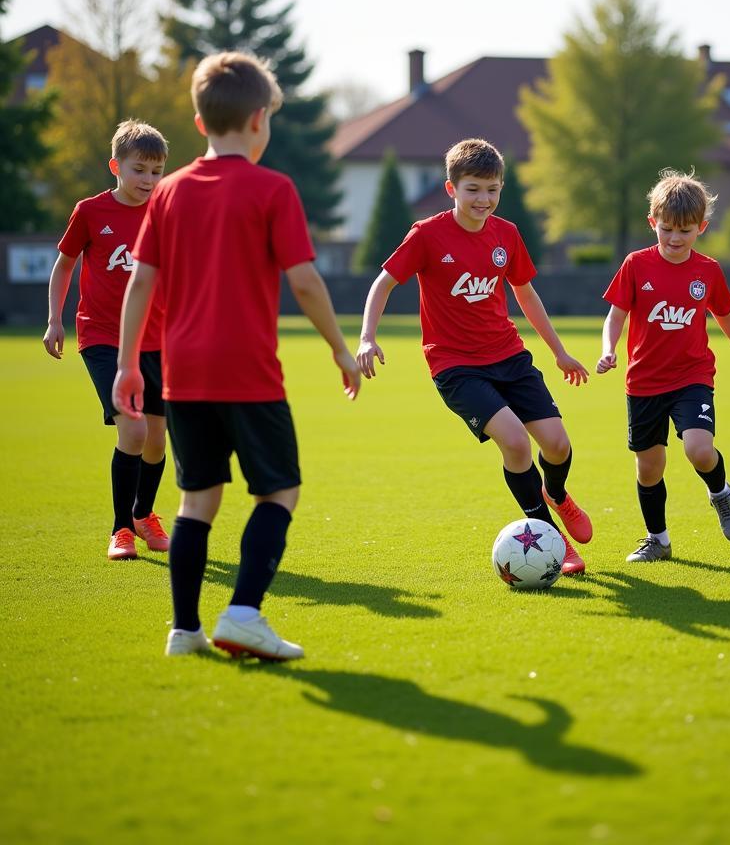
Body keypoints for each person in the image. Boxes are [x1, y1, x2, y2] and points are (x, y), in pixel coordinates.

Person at [113, 51, 361, 659]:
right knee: (278, 493)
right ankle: (245, 613)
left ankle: (184, 630)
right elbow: (304, 280)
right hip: (248, 373)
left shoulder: (167, 193)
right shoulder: (272, 188)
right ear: (258, 120)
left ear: (199, 124)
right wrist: (339, 348)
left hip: (182, 374)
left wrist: (125, 364)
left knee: (196, 500)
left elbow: (140, 281)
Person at [357, 138, 592, 574]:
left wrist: (559, 352)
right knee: (516, 441)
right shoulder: (426, 234)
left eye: (492, 189)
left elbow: (525, 293)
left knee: (557, 445)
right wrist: (367, 337)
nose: (483, 199)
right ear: (451, 189)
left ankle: (556, 495)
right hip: (456, 367)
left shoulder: (507, 235)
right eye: (473, 189)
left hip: (509, 357)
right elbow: (383, 282)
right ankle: (550, 537)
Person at [596, 169, 730, 562]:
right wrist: (609, 349)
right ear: (652, 222)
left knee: (699, 450)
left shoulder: (707, 271)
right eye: (667, 229)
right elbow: (615, 316)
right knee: (649, 468)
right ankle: (658, 540)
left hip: (692, 377)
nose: (675, 239)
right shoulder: (636, 265)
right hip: (643, 382)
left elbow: (726, 317)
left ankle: (720, 493)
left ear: (701, 227)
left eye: (685, 231)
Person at [43, 120, 170, 561]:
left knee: (157, 439)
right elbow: (64, 266)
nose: (148, 181)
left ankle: (144, 514)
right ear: (116, 166)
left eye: (156, 172)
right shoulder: (91, 211)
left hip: (157, 341)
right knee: (132, 430)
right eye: (139, 170)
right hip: (101, 337)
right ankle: (121, 531)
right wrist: (54, 320)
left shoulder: (166, 212)